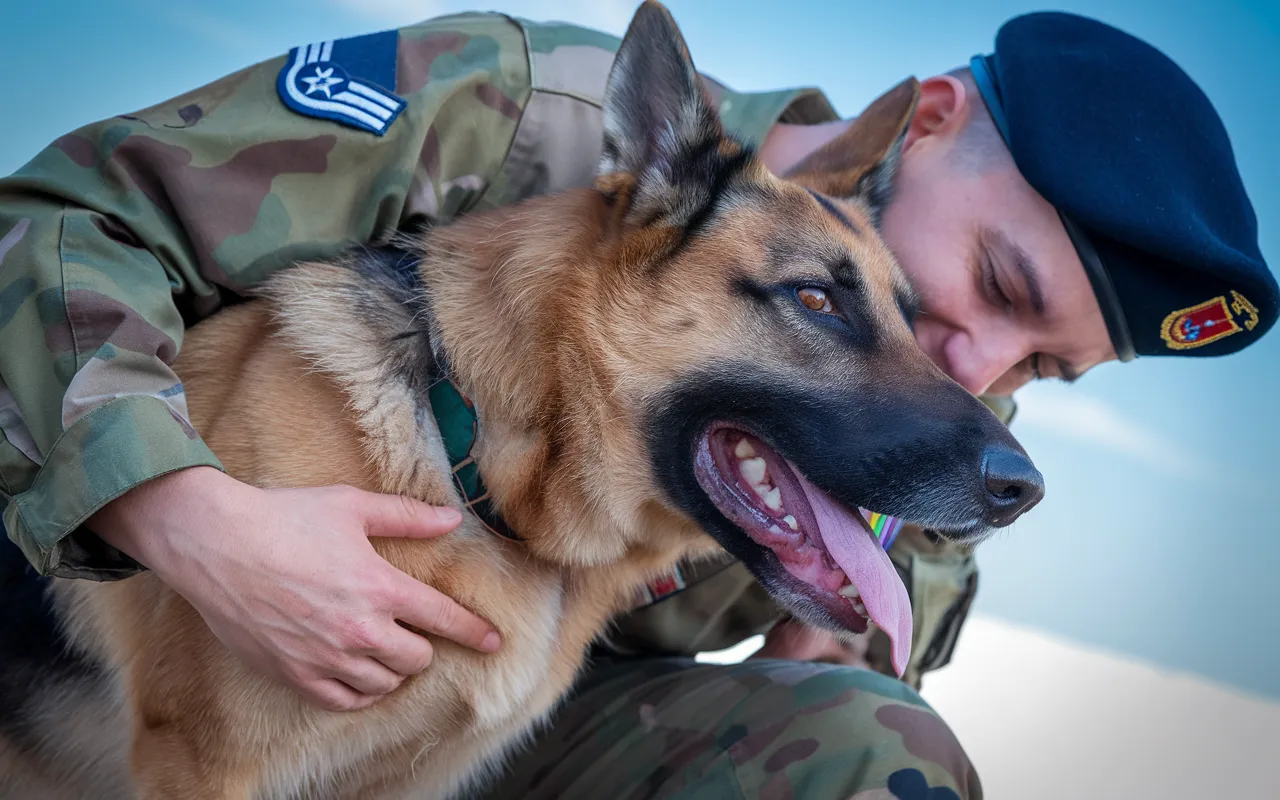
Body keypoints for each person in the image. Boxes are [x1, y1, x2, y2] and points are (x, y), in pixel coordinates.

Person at [0, 7, 1273, 799]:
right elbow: (60, 224)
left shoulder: (918, 387)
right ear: (922, 125)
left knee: (865, 749)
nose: (978, 364)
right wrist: (191, 518)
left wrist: (840, 619)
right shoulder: (521, 109)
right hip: (174, 620)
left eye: (1039, 367)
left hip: (503, 730)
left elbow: (889, 611)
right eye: (997, 281)